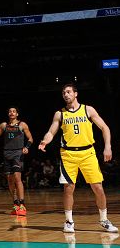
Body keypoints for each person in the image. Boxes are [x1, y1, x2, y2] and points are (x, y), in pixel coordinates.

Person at [38, 83, 118, 233]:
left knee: (98, 187)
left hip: (88, 153)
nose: (66, 95)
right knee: (68, 188)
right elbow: (51, 132)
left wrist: (108, 146)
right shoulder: (59, 114)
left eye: (68, 92)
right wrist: (45, 141)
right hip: (68, 155)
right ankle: (68, 221)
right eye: (63, 93)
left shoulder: (88, 109)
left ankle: (104, 219)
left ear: (76, 94)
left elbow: (104, 127)